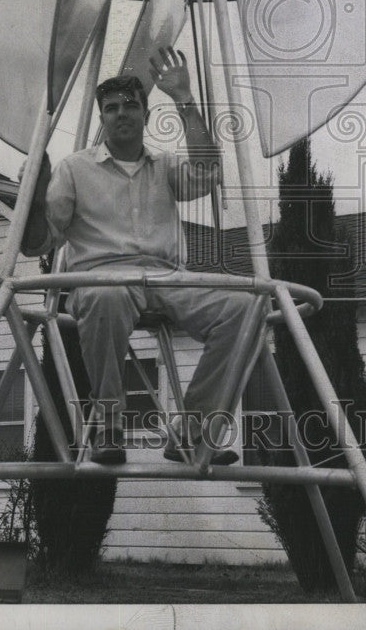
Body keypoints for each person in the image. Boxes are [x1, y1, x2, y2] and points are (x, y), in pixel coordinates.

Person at [20, 46, 253, 465]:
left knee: (244, 307)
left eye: (131, 105)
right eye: (111, 108)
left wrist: (184, 98)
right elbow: (38, 243)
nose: (122, 113)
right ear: (102, 118)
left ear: (146, 114)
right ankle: (108, 424)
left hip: (166, 277)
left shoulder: (163, 166)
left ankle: (194, 432)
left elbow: (207, 173)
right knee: (107, 297)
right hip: (102, 277)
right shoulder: (74, 169)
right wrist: (34, 199)